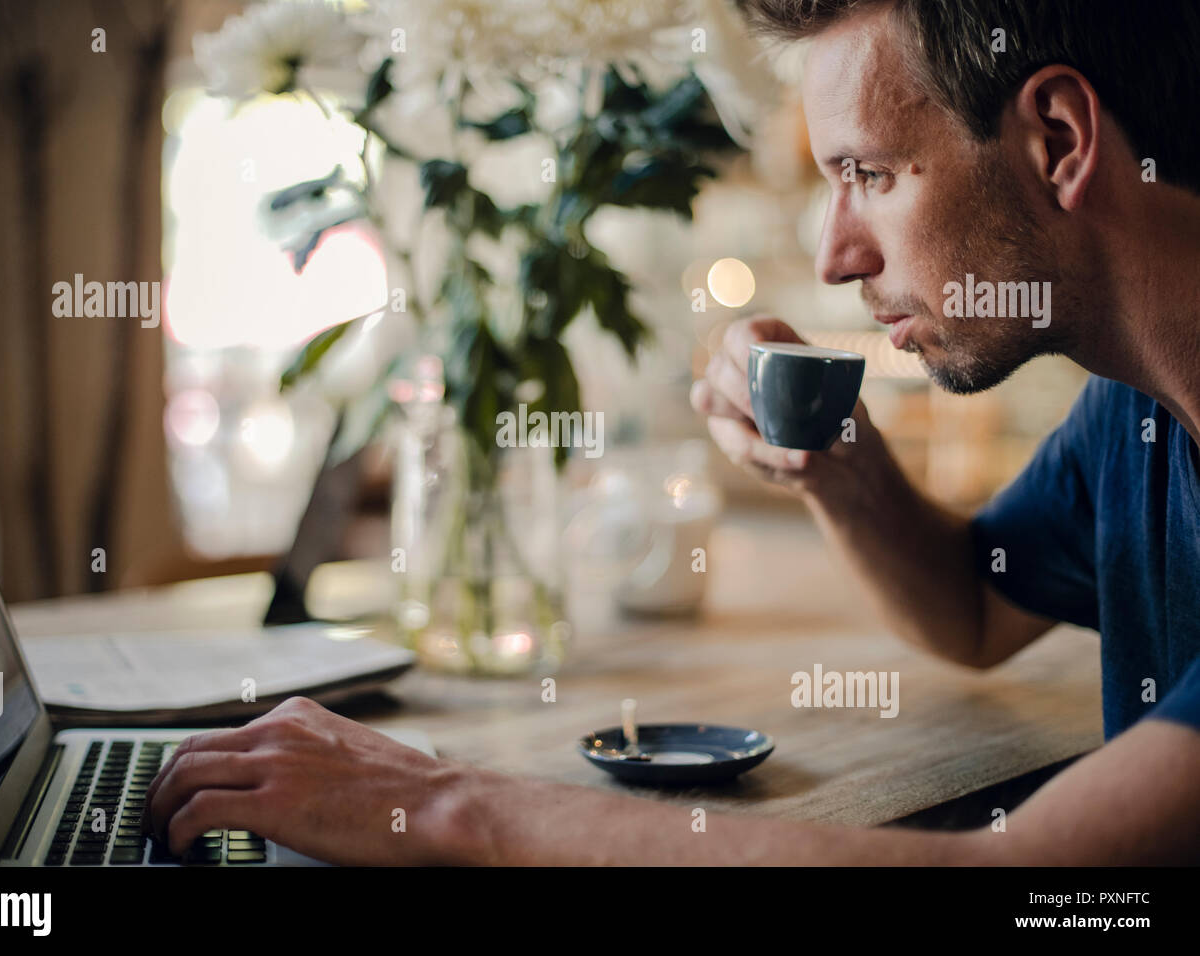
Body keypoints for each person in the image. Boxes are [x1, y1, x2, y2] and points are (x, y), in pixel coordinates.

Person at [142, 0, 1200, 864]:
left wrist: (439, 803)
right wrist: (835, 461)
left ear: (1057, 138)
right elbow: (973, 602)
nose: (835, 255)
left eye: (867, 175)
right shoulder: (1135, 410)